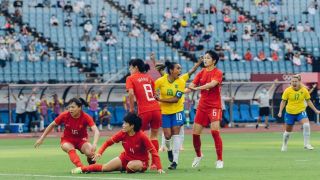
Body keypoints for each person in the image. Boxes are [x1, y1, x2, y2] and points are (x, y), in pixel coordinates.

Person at [71, 113, 164, 174]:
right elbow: (108, 142)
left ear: (132, 126)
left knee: (131, 166)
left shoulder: (142, 136)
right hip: (125, 158)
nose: (123, 125)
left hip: (141, 162)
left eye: (125, 123)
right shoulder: (122, 133)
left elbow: (153, 152)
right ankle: (83, 169)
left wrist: (159, 168)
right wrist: (99, 152)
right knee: (105, 168)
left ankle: (124, 168)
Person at [155, 59, 202, 170]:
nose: (180, 70)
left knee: (176, 133)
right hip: (165, 112)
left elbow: (176, 99)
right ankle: (169, 150)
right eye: (178, 68)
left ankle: (175, 161)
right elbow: (153, 90)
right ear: (171, 70)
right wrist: (155, 95)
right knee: (167, 135)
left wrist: (160, 99)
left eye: (180, 68)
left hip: (177, 111)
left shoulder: (181, 82)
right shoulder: (160, 81)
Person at [34, 98, 100, 167]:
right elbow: (52, 125)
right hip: (67, 140)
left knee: (90, 153)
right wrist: (42, 138)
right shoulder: (64, 115)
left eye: (73, 107)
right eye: (69, 107)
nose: (70, 109)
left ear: (79, 108)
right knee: (69, 148)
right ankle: (81, 167)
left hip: (81, 140)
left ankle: (92, 166)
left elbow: (96, 131)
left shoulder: (86, 117)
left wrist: (94, 144)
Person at [188, 50, 224, 169]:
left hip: (214, 106)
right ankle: (198, 155)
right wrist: (185, 90)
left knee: (214, 131)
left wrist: (196, 88)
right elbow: (192, 85)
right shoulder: (201, 72)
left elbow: (211, 84)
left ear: (214, 61)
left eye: (207, 58)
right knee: (195, 134)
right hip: (202, 106)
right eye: (204, 58)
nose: (205, 60)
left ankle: (219, 159)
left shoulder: (218, 72)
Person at [125, 58, 162, 168]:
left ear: (135, 67)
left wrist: (131, 109)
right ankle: (155, 163)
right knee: (154, 136)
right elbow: (155, 95)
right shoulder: (149, 78)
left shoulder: (130, 78)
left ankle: (143, 160)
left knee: (138, 135)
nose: (129, 69)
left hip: (144, 110)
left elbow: (131, 94)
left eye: (130, 67)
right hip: (156, 109)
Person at [278, 74, 320, 151]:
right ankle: (284, 144)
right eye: (292, 81)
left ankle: (306, 144)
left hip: (300, 112)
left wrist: (316, 110)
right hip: (290, 113)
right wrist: (280, 111)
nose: (294, 83)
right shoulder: (287, 90)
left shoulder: (304, 90)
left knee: (306, 125)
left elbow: (308, 101)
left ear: (299, 82)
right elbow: (283, 101)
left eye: (295, 81)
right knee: (288, 132)